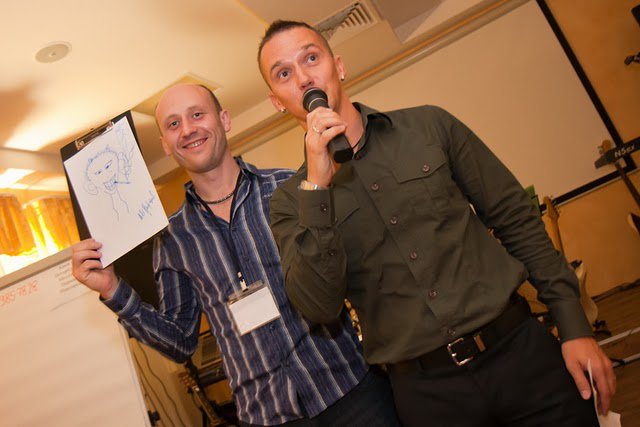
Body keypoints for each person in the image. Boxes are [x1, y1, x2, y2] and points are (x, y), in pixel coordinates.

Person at [258, 20, 616, 426]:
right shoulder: (292, 201)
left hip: (521, 356)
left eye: (311, 58)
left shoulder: (429, 125)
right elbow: (319, 306)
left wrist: (573, 325)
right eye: (283, 73)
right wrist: (317, 186)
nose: (303, 78)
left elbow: (516, 219)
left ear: (338, 66)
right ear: (277, 102)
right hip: (429, 396)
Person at [71, 83, 399, 426]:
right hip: (266, 415)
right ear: (166, 145)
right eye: (173, 124)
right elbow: (180, 342)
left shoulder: (289, 189)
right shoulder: (172, 239)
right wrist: (112, 290)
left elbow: (351, 274)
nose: (188, 129)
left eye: (197, 114)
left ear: (224, 120)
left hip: (351, 393)